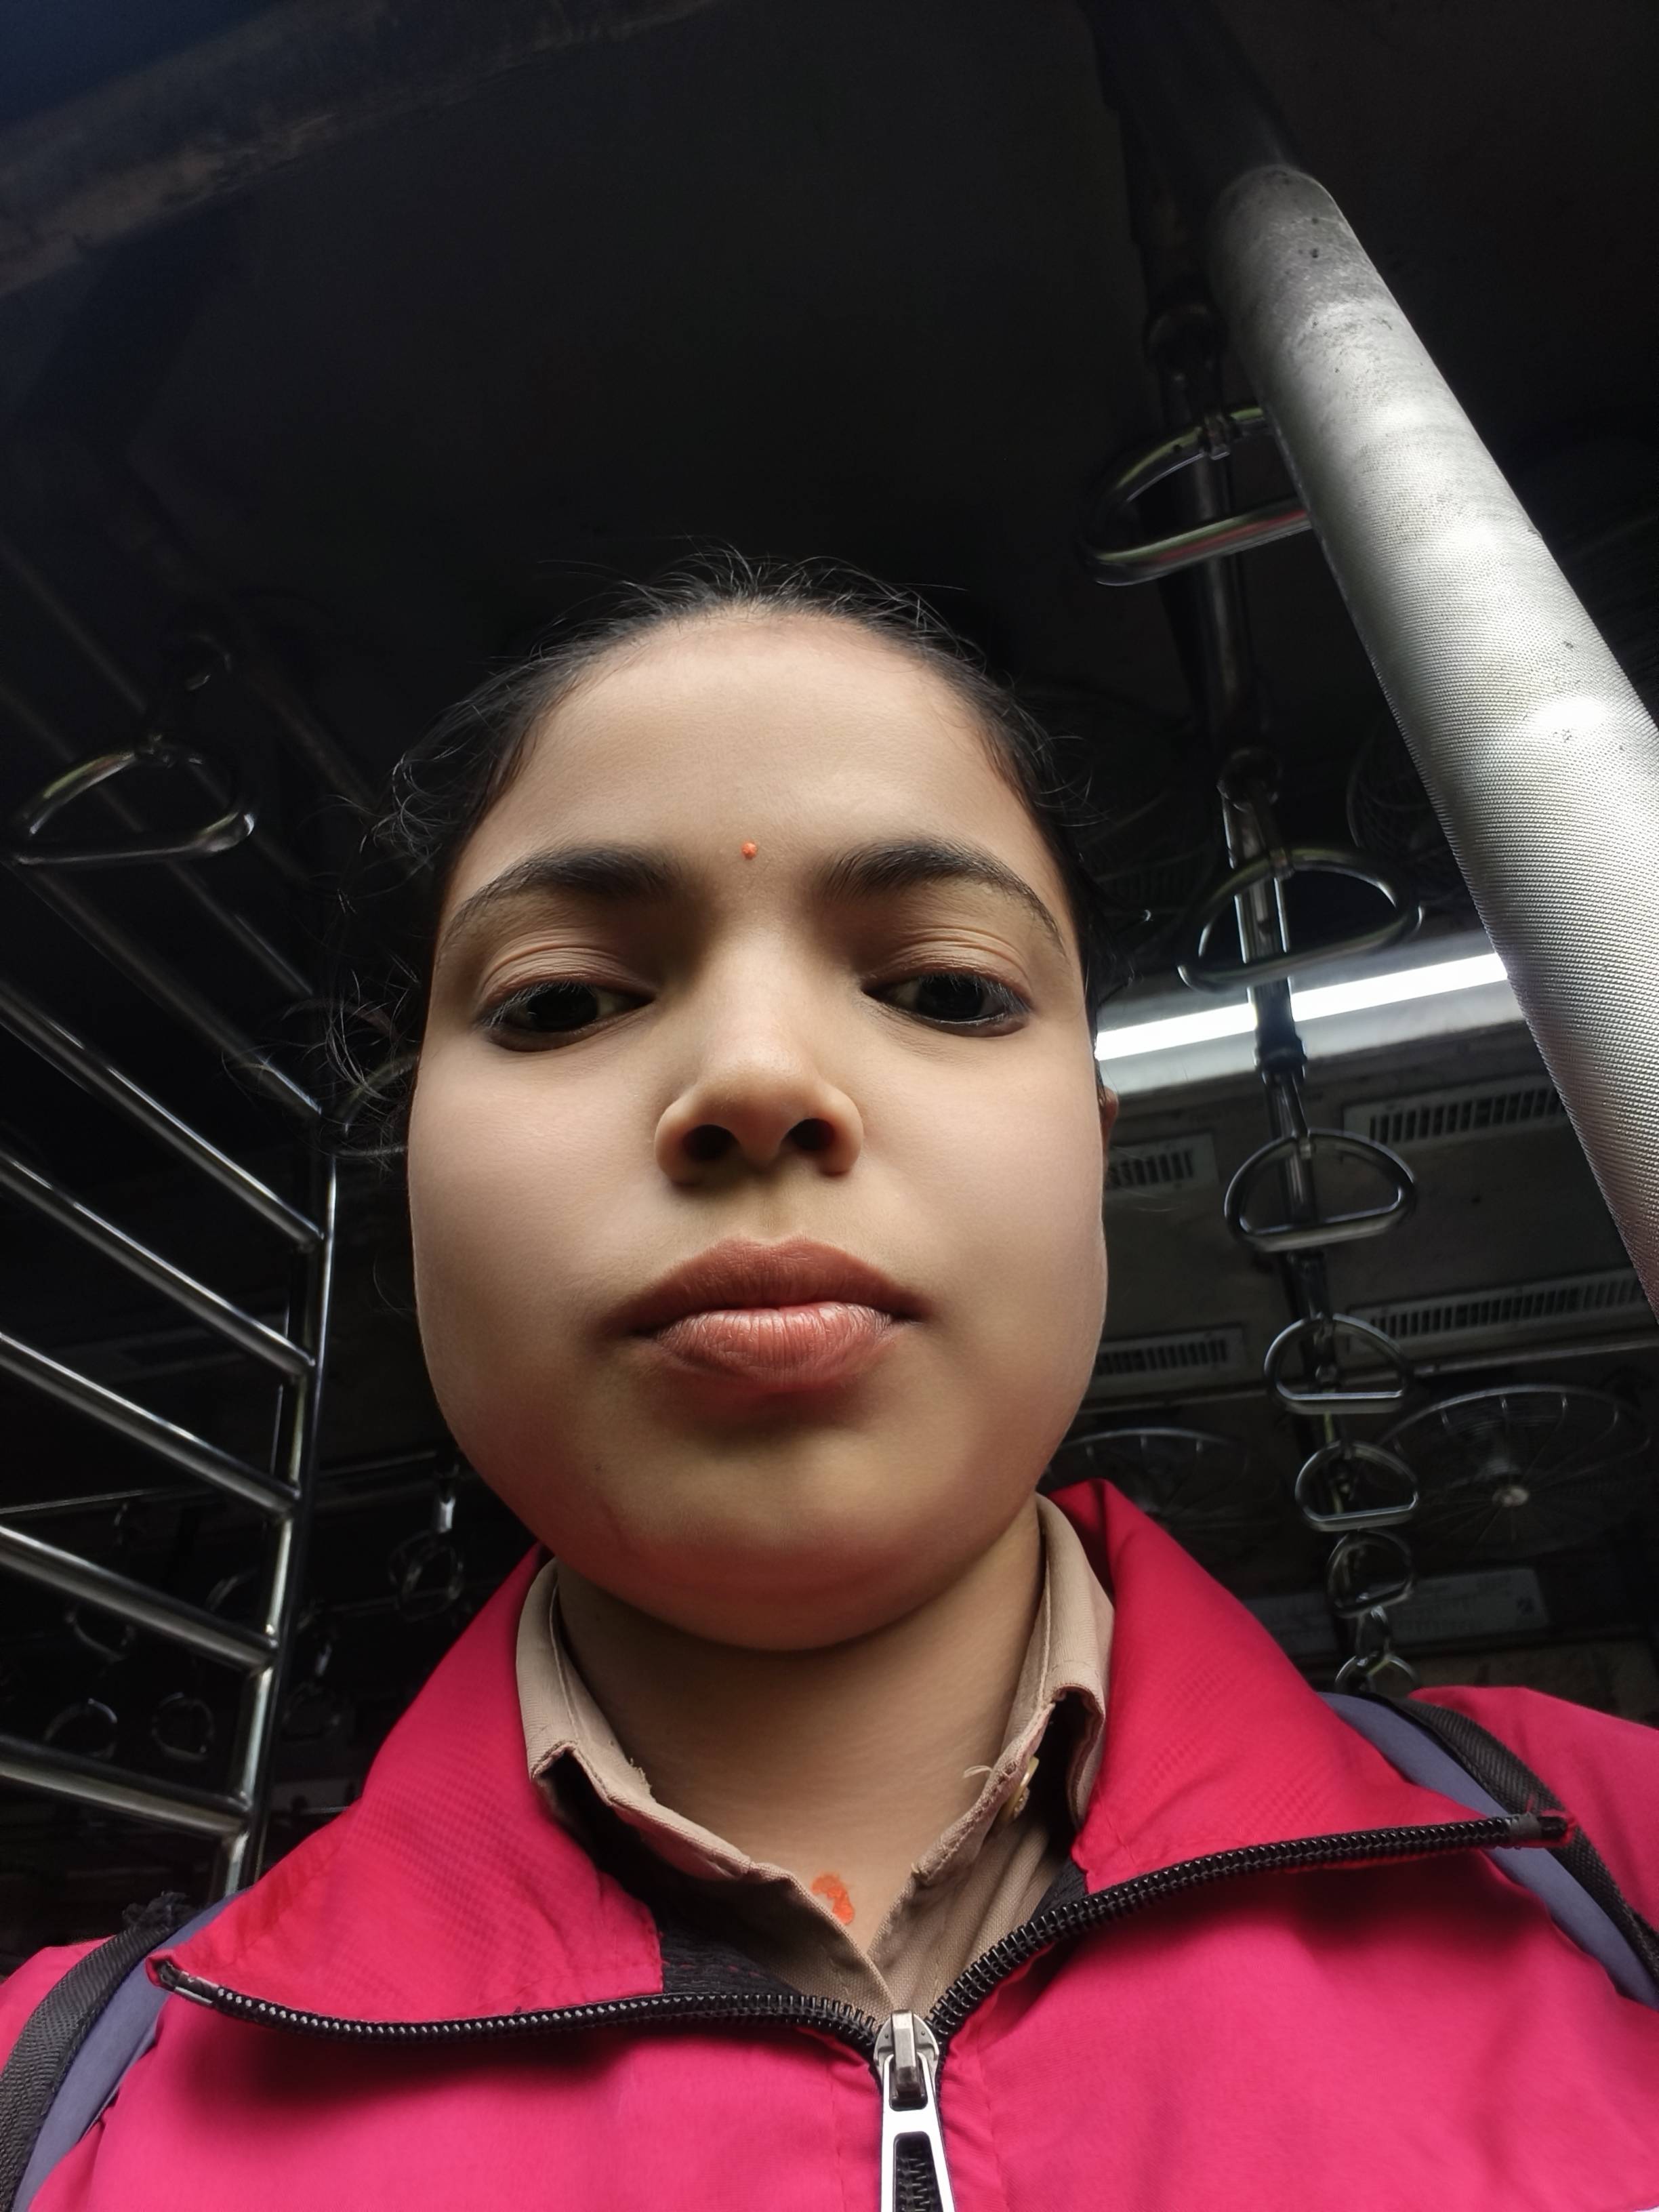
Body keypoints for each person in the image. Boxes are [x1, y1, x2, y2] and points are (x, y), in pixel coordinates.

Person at [3, 557, 1659, 2211]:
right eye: (561, 1001)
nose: (757, 1077)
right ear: (407, 1162)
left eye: (946, 989)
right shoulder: (57, 2102)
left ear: (1096, 1144)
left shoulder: (1615, 1860)